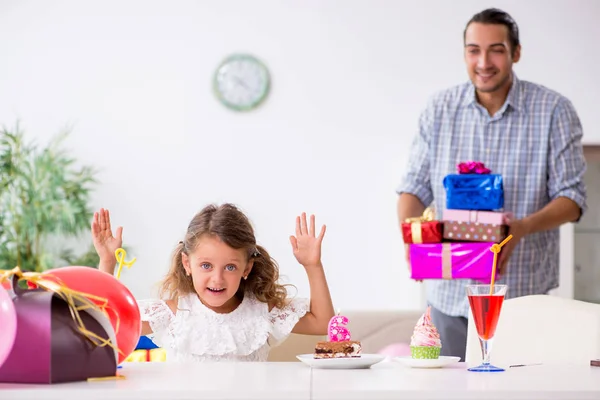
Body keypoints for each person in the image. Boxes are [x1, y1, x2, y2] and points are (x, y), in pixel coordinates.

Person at [396, 8, 587, 361]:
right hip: (449, 298)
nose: (484, 61)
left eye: (496, 49)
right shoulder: (439, 108)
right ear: (465, 53)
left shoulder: (554, 110)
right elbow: (414, 186)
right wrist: (411, 240)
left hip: (523, 298)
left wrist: (521, 227)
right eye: (473, 50)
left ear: (516, 52)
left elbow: (572, 198)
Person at [91, 204, 335, 362]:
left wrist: (312, 265)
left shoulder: (261, 313)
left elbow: (322, 322)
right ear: (187, 264)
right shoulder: (174, 313)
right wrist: (107, 262)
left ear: (247, 268)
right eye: (206, 266)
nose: (217, 279)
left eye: (230, 267)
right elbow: (105, 328)